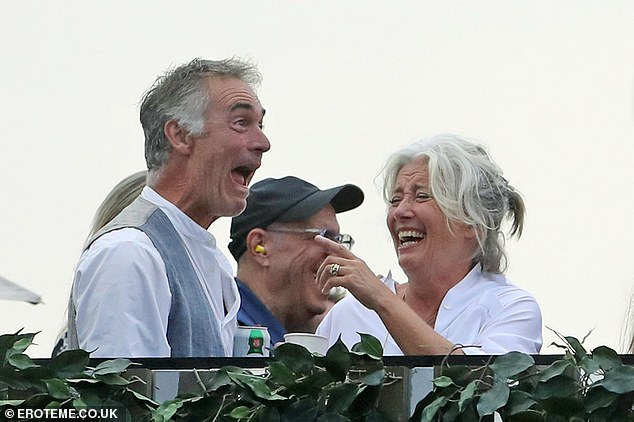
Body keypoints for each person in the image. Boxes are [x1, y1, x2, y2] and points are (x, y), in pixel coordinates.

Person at [67, 58, 270, 358]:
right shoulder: (129, 253)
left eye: (261, 125)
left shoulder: (212, 260)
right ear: (180, 135)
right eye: (241, 123)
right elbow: (128, 399)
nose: (263, 142)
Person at [315, 134, 542, 355]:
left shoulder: (510, 309)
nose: (401, 212)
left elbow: (482, 384)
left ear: (472, 221)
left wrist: (381, 299)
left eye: (422, 196)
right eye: (396, 199)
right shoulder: (349, 314)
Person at [227, 176, 364, 345]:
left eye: (338, 240)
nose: (336, 255)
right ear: (260, 246)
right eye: (323, 237)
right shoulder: (222, 328)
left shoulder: (284, 345)